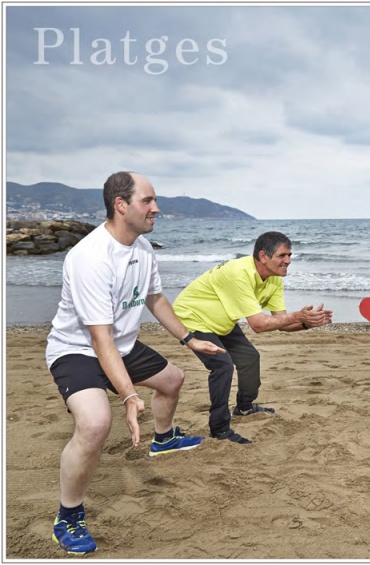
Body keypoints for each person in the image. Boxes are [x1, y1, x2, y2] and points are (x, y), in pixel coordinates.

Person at [45, 171, 226, 555]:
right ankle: (69, 516)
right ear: (121, 205)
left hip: (121, 345)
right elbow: (99, 338)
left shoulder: (143, 249)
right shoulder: (90, 258)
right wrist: (128, 396)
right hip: (77, 349)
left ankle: (163, 440)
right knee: (95, 425)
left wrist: (190, 339)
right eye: (148, 201)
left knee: (173, 379)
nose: (156, 208)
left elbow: (156, 300)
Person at [172, 231, 333, 444]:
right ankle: (219, 429)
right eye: (282, 256)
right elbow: (258, 325)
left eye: (290, 255)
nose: (288, 261)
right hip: (191, 318)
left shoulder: (274, 278)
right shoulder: (239, 273)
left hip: (222, 321)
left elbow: (280, 322)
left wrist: (306, 323)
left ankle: (245, 407)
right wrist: (297, 316)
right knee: (222, 366)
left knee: (250, 358)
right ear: (263, 256)